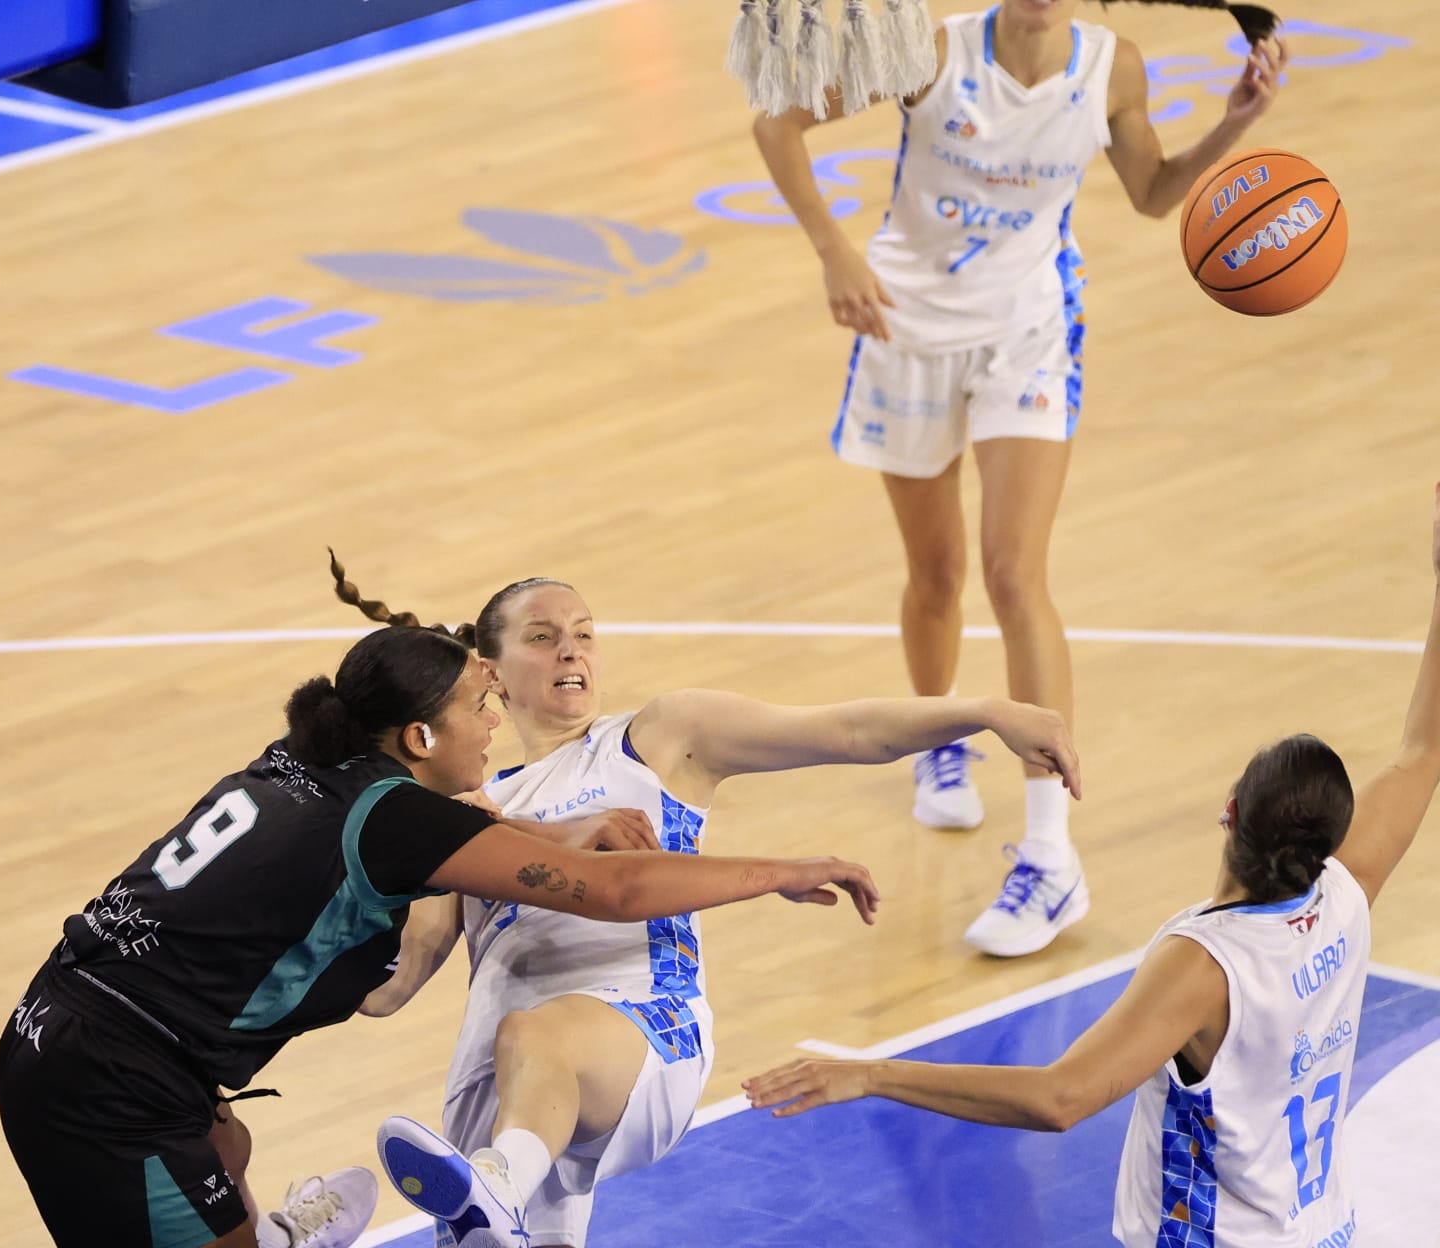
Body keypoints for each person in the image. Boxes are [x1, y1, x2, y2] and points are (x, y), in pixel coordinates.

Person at [0, 623, 883, 1248]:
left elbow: (428, 834)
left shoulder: (304, 761)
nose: (495, 723)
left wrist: (555, 832)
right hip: (110, 1085)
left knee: (229, 1149)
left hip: (76, 1027)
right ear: (420, 735)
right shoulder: (395, 821)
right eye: (479, 708)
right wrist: (786, 869)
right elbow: (619, 892)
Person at [744, 485, 1440, 1246]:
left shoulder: (1206, 966)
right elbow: (1425, 749)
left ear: (1229, 811)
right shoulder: (1345, 893)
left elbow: (1060, 1098)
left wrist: (871, 1074)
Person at [327, 561, 1079, 1248]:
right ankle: (498, 1184)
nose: (572, 652)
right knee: (518, 1107)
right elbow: (390, 984)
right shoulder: (473, 805)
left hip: (640, 1027)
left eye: (585, 636)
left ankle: (498, 1183)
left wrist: (985, 709)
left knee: (535, 1038)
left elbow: (850, 730)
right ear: (491, 669)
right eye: (545, 637)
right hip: (499, 1082)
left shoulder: (659, 737)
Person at [750, 0, 1287, 955]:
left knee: (1013, 574)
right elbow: (776, 122)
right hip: (904, 325)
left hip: (1030, 335)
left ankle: (1052, 854)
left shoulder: (1111, 67)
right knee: (937, 576)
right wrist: (833, 251)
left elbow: (1155, 192)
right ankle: (938, 743)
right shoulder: (927, 52)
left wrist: (1236, 121)